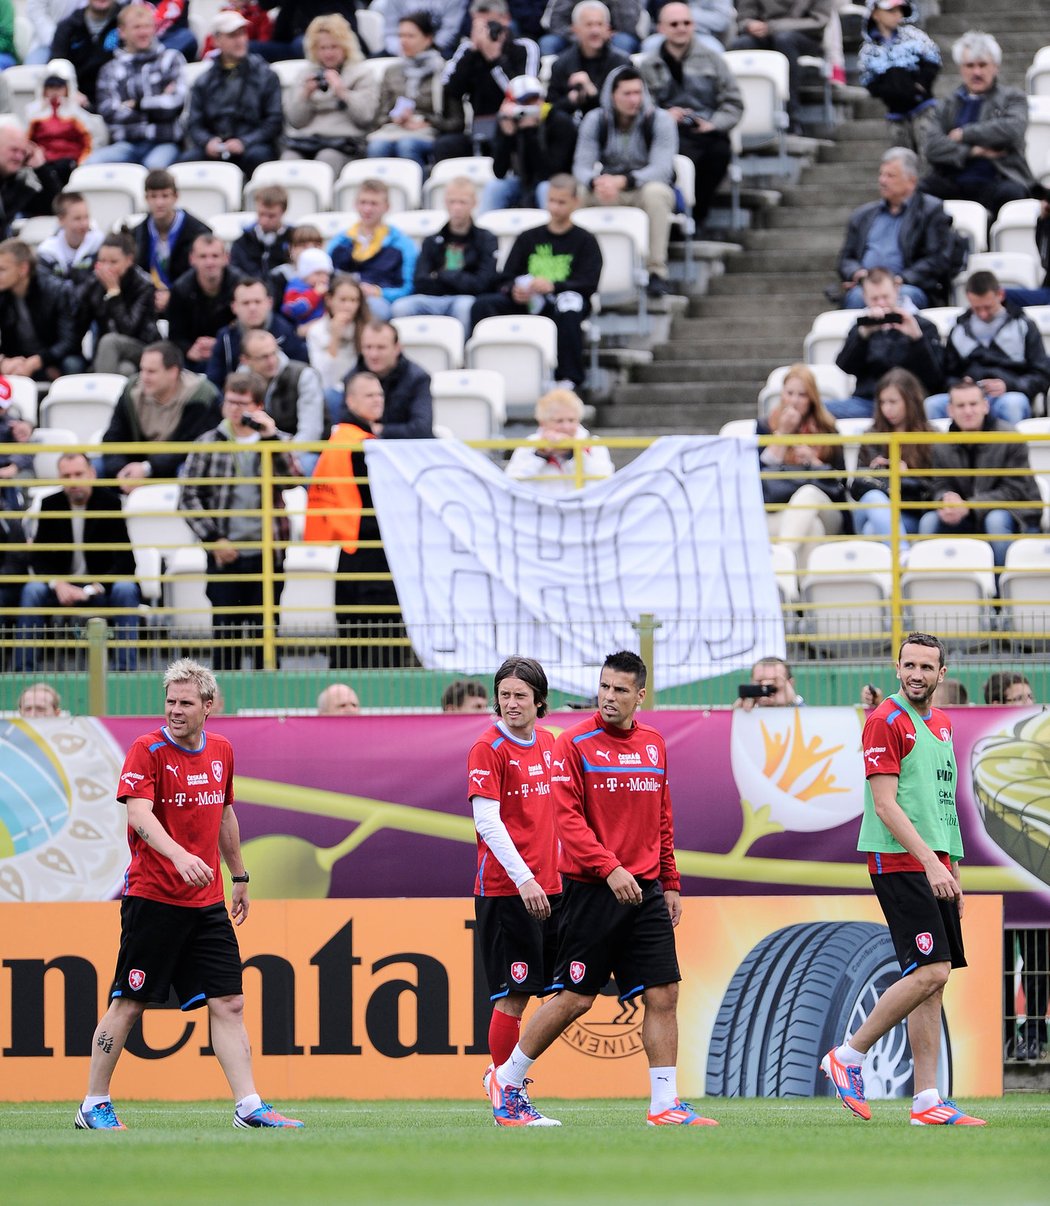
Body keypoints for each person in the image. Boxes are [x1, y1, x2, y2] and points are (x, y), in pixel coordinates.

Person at [488, 649, 716, 1127]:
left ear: (640, 695)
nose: (609, 697)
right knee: (576, 997)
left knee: (664, 993)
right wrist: (610, 868)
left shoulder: (655, 744)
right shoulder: (574, 743)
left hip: (647, 891)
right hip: (593, 890)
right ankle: (507, 1082)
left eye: (619, 690)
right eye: (604, 687)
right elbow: (567, 822)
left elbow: (662, 818)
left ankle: (664, 1104)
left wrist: (670, 880)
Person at [76, 658, 303, 1131]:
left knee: (230, 1002)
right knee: (129, 1002)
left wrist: (239, 877)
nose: (175, 710)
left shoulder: (221, 749)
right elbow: (138, 815)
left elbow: (223, 815)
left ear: (208, 706)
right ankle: (93, 1103)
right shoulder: (147, 749)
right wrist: (179, 856)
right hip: (154, 898)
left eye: (185, 702)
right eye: (170, 701)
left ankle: (249, 1107)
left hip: (207, 903)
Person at [821, 631, 986, 1127]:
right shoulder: (884, 720)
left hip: (934, 865)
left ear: (942, 674)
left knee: (932, 985)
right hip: (898, 861)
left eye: (926, 667)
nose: (916, 674)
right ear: (898, 669)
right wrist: (932, 864)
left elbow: (942, 804)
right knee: (931, 971)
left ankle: (926, 1101)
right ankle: (848, 1057)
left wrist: (951, 867)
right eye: (908, 665)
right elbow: (886, 806)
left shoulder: (942, 723)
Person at [468, 656, 561, 1105]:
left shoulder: (549, 743)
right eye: (504, 695)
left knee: (569, 992)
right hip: (509, 892)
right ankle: (505, 1091)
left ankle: (506, 1079)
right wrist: (524, 879)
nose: (510, 703)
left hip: (552, 888)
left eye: (520, 695)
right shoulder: (488, 748)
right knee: (513, 996)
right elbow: (487, 821)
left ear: (539, 701)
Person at [181, 372, 295, 671]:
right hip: (224, 554)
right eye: (229, 401)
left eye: (241, 403)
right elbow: (188, 497)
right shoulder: (207, 443)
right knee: (225, 636)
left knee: (266, 635)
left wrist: (270, 438)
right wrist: (213, 539)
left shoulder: (276, 441)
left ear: (257, 406)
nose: (233, 409)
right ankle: (221, 707)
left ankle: (268, 701)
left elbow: (292, 480)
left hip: (267, 554)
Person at [304, 371, 402, 669]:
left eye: (380, 395)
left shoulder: (342, 439)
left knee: (352, 633)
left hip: (350, 549)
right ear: (350, 400)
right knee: (381, 633)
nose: (377, 400)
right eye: (369, 395)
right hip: (370, 551)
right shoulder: (362, 445)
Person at [471, 175, 602, 392]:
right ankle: (479, 371)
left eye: (561, 202)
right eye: (551, 201)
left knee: (569, 305)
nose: (555, 207)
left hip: (563, 299)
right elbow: (506, 276)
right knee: (483, 305)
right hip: (527, 300)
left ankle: (569, 378)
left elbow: (589, 283)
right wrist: (514, 290)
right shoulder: (528, 237)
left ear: (575, 202)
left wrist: (554, 286)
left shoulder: (585, 240)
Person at [15, 452, 141, 674]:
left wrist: (92, 589)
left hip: (101, 588)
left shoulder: (110, 503)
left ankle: (126, 673)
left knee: (126, 588)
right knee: (32, 590)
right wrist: (59, 584)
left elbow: (125, 562)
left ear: (92, 474)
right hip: (62, 588)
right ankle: (23, 673)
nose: (73, 481)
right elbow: (40, 558)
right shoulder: (50, 504)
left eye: (78, 474)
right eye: (67, 475)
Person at [572, 66, 677, 297]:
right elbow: (580, 166)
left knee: (656, 193)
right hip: (607, 187)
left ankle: (656, 271)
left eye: (638, 93)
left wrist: (625, 180)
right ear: (612, 95)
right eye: (627, 94)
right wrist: (595, 182)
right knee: (577, 193)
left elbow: (661, 169)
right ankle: (576, 269)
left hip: (642, 187)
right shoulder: (595, 120)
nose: (634, 100)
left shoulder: (660, 120)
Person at [917, 379, 1041, 568]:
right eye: (961, 405)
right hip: (966, 516)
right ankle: (930, 590)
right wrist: (945, 500)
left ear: (985, 406)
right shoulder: (941, 445)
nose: (968, 411)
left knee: (996, 520)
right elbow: (938, 485)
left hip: (1017, 516)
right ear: (950, 410)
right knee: (930, 521)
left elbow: (1015, 491)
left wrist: (969, 506)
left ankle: (1003, 593)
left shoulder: (1011, 437)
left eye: (973, 404)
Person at [639, 2, 742, 229]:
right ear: (661, 28)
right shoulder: (648, 64)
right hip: (665, 133)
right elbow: (640, 105)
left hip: (704, 131)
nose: (681, 28)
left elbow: (734, 103)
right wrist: (663, 115)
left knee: (719, 152)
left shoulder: (713, 59)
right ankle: (673, 218)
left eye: (686, 23)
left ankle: (699, 216)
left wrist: (713, 124)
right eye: (674, 24)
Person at [920, 31, 1035, 221]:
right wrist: (974, 151)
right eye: (970, 66)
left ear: (995, 67)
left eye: (983, 65)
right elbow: (931, 147)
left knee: (1013, 196)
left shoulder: (1013, 98)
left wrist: (964, 134)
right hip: (953, 180)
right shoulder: (947, 104)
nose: (977, 72)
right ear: (961, 69)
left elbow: (1012, 130)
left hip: (999, 178)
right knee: (920, 193)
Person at [834, 148, 954, 311]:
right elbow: (846, 259)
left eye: (890, 176)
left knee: (902, 297)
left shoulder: (931, 211)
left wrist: (898, 280)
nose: (882, 181)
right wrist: (857, 273)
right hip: (867, 286)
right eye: (881, 174)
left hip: (908, 285)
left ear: (911, 181)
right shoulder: (863, 216)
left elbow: (938, 259)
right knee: (857, 297)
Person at [924, 270, 1050, 425]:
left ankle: (1010, 449)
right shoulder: (958, 330)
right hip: (966, 398)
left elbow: (1042, 373)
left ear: (1000, 295)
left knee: (1014, 404)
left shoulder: (1023, 326)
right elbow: (947, 375)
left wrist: (1009, 385)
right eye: (977, 308)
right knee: (932, 405)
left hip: (1007, 395)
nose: (983, 314)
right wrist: (960, 385)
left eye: (988, 307)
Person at [101, 341, 222, 490]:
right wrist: (120, 470)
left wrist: (146, 469)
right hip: (133, 465)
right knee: (94, 469)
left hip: (175, 465)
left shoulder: (201, 396)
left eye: (151, 371)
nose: (144, 377)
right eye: (142, 370)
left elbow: (192, 447)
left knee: (187, 470)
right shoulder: (131, 391)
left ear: (173, 372)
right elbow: (112, 438)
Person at [830, 267, 944, 420]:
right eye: (874, 299)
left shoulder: (923, 325)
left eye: (885, 297)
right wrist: (863, 337)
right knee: (819, 408)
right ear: (864, 296)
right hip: (869, 402)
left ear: (897, 290)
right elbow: (845, 367)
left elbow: (935, 377)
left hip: (911, 402)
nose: (881, 303)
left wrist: (917, 339)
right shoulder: (861, 327)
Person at [757, 366, 846, 560]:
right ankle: (795, 587)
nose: (794, 400)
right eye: (789, 393)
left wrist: (813, 462)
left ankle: (781, 561)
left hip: (825, 507)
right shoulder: (765, 426)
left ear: (812, 398)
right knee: (813, 529)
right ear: (782, 394)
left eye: (802, 395)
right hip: (779, 508)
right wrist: (782, 434)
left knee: (808, 493)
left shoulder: (828, 428)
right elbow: (758, 473)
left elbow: (842, 482)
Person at [182, 10, 283, 177]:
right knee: (186, 163)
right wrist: (207, 141)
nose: (240, 40)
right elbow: (194, 123)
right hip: (216, 147)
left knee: (259, 157)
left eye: (242, 33)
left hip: (253, 146)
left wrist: (245, 142)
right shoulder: (203, 81)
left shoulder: (266, 75)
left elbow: (273, 121)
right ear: (216, 41)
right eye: (232, 36)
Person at [391, 177, 499, 334]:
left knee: (465, 307)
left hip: (463, 298)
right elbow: (420, 280)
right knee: (401, 307)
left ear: (474, 203)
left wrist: (442, 274)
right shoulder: (432, 240)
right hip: (431, 298)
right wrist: (459, 278)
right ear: (445, 203)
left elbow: (482, 283)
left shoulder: (485, 239)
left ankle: (460, 355)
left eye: (462, 202)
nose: (456, 208)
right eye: (452, 202)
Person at [437, 0, 540, 162]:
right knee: (445, 145)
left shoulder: (525, 47)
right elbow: (452, 91)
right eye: (479, 26)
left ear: (505, 19)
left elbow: (524, 94)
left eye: (489, 24)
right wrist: (472, 53)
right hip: (479, 125)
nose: (485, 32)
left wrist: (495, 60)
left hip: (515, 125)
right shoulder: (467, 51)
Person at [90, 3, 188, 170]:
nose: (143, 32)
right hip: (125, 144)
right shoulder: (110, 69)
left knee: (154, 169)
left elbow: (175, 103)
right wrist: (156, 108)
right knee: (90, 165)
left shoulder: (172, 59)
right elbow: (109, 111)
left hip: (164, 142)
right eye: (136, 27)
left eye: (147, 26)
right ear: (122, 32)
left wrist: (136, 105)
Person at [282, 14, 378, 177]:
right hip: (307, 141)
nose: (328, 53)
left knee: (326, 158)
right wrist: (305, 94)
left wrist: (342, 92)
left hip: (345, 142)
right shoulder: (305, 74)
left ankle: (325, 203)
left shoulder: (362, 73)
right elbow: (295, 121)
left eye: (334, 47)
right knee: (288, 159)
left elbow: (366, 117)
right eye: (323, 48)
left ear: (345, 47)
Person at [848, 368, 933, 548]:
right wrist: (877, 472)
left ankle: (896, 566)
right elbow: (856, 486)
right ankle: (902, 557)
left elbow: (936, 488)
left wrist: (906, 475)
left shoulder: (931, 436)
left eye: (893, 402)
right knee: (874, 498)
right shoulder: (871, 435)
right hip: (870, 507)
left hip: (909, 512)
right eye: (883, 402)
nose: (887, 408)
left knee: (873, 530)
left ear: (910, 401)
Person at [544, 2, 631, 176]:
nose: (595, 31)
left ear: (608, 29)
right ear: (575, 29)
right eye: (589, 25)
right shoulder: (561, 64)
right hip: (571, 138)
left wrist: (593, 93)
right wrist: (571, 100)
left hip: (613, 133)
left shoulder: (621, 63)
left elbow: (628, 108)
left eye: (599, 24)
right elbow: (550, 110)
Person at [368, 12, 463, 169]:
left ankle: (416, 191)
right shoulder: (392, 71)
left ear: (428, 39)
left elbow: (457, 121)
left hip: (428, 132)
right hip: (392, 129)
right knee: (376, 147)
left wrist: (427, 121)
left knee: (407, 145)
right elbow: (378, 119)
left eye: (410, 36)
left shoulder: (444, 71)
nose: (403, 41)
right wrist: (395, 118)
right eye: (401, 36)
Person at [731, 0, 833, 131]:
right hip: (764, 33)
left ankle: (792, 118)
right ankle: (744, 122)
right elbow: (744, 17)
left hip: (804, 36)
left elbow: (819, 21)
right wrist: (748, 24)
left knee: (784, 40)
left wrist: (774, 27)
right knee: (741, 44)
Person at [327, 180, 418, 322]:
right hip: (343, 298)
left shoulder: (403, 244)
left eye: (374, 203)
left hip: (378, 301)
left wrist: (379, 292)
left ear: (386, 207)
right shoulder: (341, 241)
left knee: (373, 308)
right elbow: (327, 276)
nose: (367, 209)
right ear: (355, 205)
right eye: (363, 202)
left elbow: (408, 287)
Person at [857, 0, 940, 149]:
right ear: (875, 13)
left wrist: (920, 85)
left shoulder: (914, 36)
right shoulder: (868, 50)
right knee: (901, 161)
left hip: (924, 109)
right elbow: (868, 81)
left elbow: (933, 61)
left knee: (929, 155)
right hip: (895, 115)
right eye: (891, 11)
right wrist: (891, 93)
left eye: (899, 10)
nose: (897, 15)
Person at [77, 229, 159, 375]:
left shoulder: (144, 285)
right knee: (125, 370)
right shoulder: (94, 284)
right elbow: (78, 323)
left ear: (129, 260)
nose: (106, 268)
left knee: (110, 341)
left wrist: (114, 293)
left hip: (142, 348)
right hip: (108, 355)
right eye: (102, 261)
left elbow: (129, 329)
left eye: (113, 262)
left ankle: (100, 393)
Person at [132, 169, 212, 318]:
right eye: (153, 196)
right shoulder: (136, 234)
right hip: (148, 306)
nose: (159, 202)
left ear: (176, 196)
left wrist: (174, 296)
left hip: (189, 306)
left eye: (165, 196)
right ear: (145, 198)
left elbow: (202, 273)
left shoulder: (198, 232)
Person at [206, 276, 309, 390]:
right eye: (246, 303)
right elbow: (213, 382)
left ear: (269, 303)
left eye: (257, 301)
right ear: (234, 307)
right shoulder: (226, 337)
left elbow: (302, 372)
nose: (252, 308)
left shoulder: (285, 333)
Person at [0, 238, 82, 380]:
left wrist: (39, 361)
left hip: (51, 359)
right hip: (15, 360)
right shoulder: (3, 292)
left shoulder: (56, 291)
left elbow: (69, 342)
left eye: (2, 269)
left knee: (72, 364)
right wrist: (3, 361)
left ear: (23, 269)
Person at [238, 328, 326, 459]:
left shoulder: (304, 375)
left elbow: (310, 432)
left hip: (297, 451)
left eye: (274, 353)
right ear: (245, 360)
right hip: (255, 451)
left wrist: (285, 458)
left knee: (307, 462)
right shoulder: (240, 380)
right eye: (263, 357)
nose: (272, 361)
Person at [505, 387, 614, 493]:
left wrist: (572, 453)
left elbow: (604, 483)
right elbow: (512, 484)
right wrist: (540, 455)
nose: (566, 427)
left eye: (571, 420)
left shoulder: (594, 443)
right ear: (543, 422)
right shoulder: (530, 444)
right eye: (559, 421)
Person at [167, 234, 244, 374]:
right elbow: (175, 334)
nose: (209, 262)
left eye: (215, 256)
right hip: (194, 357)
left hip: (234, 354)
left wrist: (220, 345)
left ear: (226, 258)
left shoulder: (241, 286)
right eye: (203, 256)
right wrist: (189, 350)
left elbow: (248, 327)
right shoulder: (180, 289)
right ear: (192, 259)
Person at [347, 321, 434, 440]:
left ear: (397, 348)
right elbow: (344, 420)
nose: (373, 354)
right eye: (368, 347)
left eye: (381, 347)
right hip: (364, 451)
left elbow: (422, 429)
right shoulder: (353, 377)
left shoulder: (418, 378)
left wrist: (381, 430)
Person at [308, 273, 372, 416]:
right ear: (329, 300)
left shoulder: (368, 329)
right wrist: (334, 337)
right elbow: (323, 379)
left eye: (354, 300)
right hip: (336, 392)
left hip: (365, 392)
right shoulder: (316, 331)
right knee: (329, 395)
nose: (348, 306)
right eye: (343, 300)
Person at [24, 61, 103, 168]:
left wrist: (81, 163)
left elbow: (89, 144)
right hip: (42, 164)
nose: (54, 91)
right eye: (50, 87)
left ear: (67, 88)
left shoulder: (77, 114)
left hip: (71, 163)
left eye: (59, 87)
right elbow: (27, 142)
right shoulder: (33, 113)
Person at [51, 0, 123, 110]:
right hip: (78, 103)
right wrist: (71, 91)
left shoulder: (127, 22)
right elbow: (57, 64)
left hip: (119, 102)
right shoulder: (68, 26)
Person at [0, 124, 66, 241]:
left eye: (23, 152)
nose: (19, 157)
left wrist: (40, 167)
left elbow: (57, 208)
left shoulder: (20, 185)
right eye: (14, 150)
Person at [36, 190, 105, 292]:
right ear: (61, 220)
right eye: (77, 219)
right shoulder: (47, 252)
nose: (84, 224)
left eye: (86, 217)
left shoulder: (100, 244)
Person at [229, 186, 295, 283]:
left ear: (283, 211)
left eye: (271, 216)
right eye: (261, 214)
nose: (264, 221)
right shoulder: (243, 242)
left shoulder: (294, 239)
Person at [542, 0, 641, 56]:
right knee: (548, 42)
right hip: (573, 34)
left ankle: (621, 81)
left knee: (623, 41)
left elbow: (629, 24)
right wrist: (578, 35)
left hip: (612, 36)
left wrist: (604, 33)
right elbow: (556, 21)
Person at [280, 247, 333, 335]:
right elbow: (292, 310)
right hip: (303, 332)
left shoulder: (327, 288)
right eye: (318, 274)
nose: (323, 278)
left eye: (326, 274)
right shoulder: (295, 288)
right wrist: (315, 294)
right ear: (305, 274)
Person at [734, 655, 802, 710]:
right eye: (760, 681)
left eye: (774, 681)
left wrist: (793, 702)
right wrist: (736, 713)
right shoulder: (745, 710)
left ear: (790, 683)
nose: (765, 685)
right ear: (751, 682)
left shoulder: (806, 712)